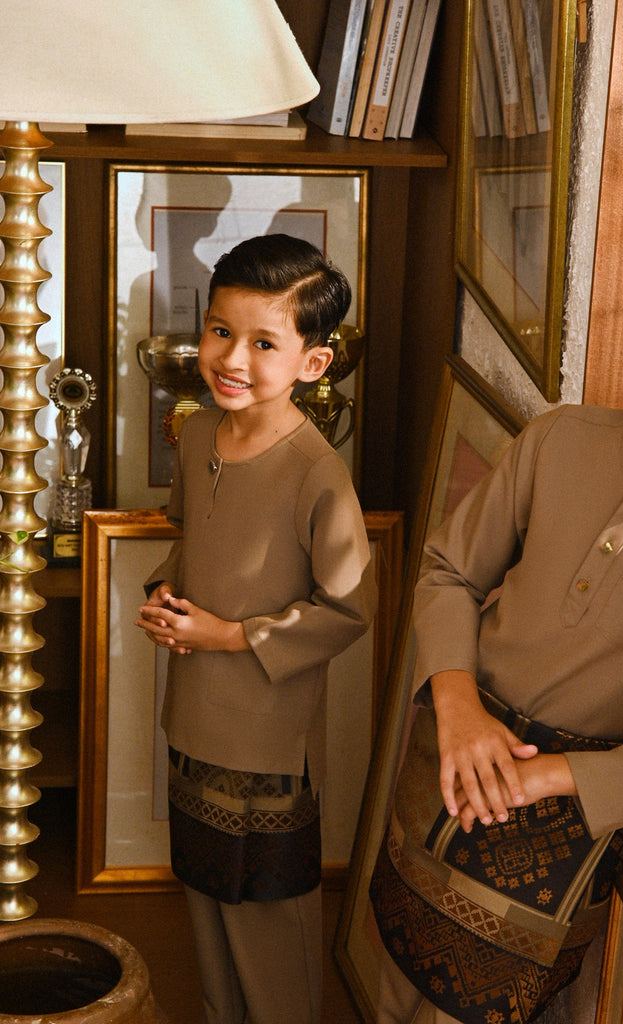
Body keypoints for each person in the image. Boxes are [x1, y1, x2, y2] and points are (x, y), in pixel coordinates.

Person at [370, 227, 623, 1024]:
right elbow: (449, 570)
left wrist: (553, 779)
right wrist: (456, 706)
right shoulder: (559, 439)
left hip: (561, 820)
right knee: (393, 977)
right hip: (448, 755)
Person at [135, 233, 377, 1024]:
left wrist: (230, 637)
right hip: (192, 721)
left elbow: (349, 611)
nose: (232, 358)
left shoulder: (318, 473)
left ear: (314, 362)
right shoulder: (197, 434)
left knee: (269, 928)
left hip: (267, 745)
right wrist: (165, 595)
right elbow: (189, 540)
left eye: (264, 343)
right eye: (220, 331)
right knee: (205, 904)